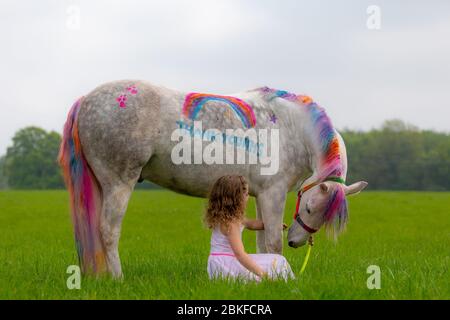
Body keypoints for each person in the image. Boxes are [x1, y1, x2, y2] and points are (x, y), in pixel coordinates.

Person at [204, 175, 295, 282]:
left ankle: (283, 282)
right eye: (246, 194)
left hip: (219, 261)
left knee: (275, 261)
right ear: (236, 198)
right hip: (227, 265)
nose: (248, 197)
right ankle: (288, 284)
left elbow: (251, 224)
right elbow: (240, 254)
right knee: (278, 262)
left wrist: (274, 226)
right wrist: (262, 274)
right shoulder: (231, 224)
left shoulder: (228, 217)